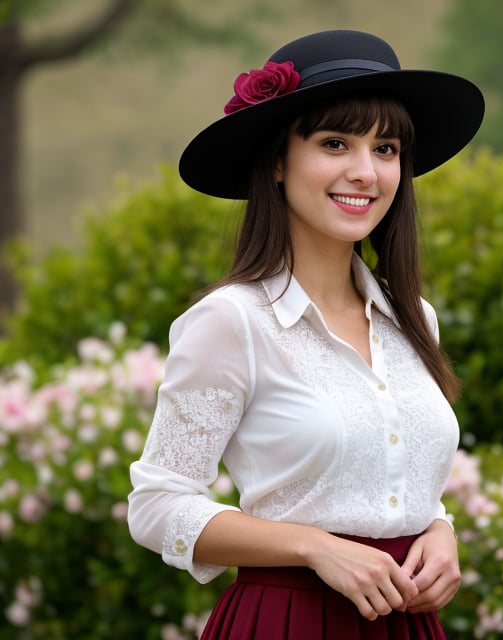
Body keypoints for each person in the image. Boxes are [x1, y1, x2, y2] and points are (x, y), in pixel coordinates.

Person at [128, 29, 484, 640]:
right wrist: (314, 548)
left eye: (387, 148)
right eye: (335, 143)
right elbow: (158, 506)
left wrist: (439, 529)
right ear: (276, 160)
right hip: (288, 620)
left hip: (407, 622)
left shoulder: (413, 317)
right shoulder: (232, 321)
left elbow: (387, 477)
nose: (365, 172)